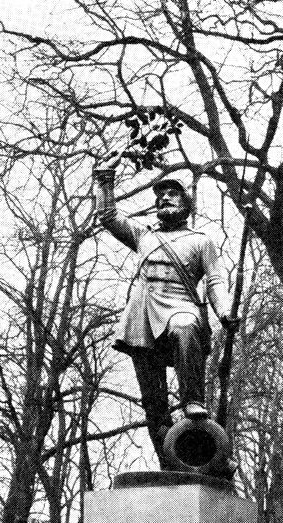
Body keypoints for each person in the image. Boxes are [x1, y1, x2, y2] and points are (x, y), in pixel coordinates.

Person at [93, 153, 235, 468]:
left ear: (187, 203)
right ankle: (170, 462)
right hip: (142, 318)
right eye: (161, 195)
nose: (165, 199)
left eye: (172, 194)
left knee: (185, 327)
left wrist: (224, 311)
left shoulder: (201, 240)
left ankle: (193, 400)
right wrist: (105, 177)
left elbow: (215, 280)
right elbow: (107, 215)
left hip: (179, 305)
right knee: (154, 403)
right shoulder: (145, 236)